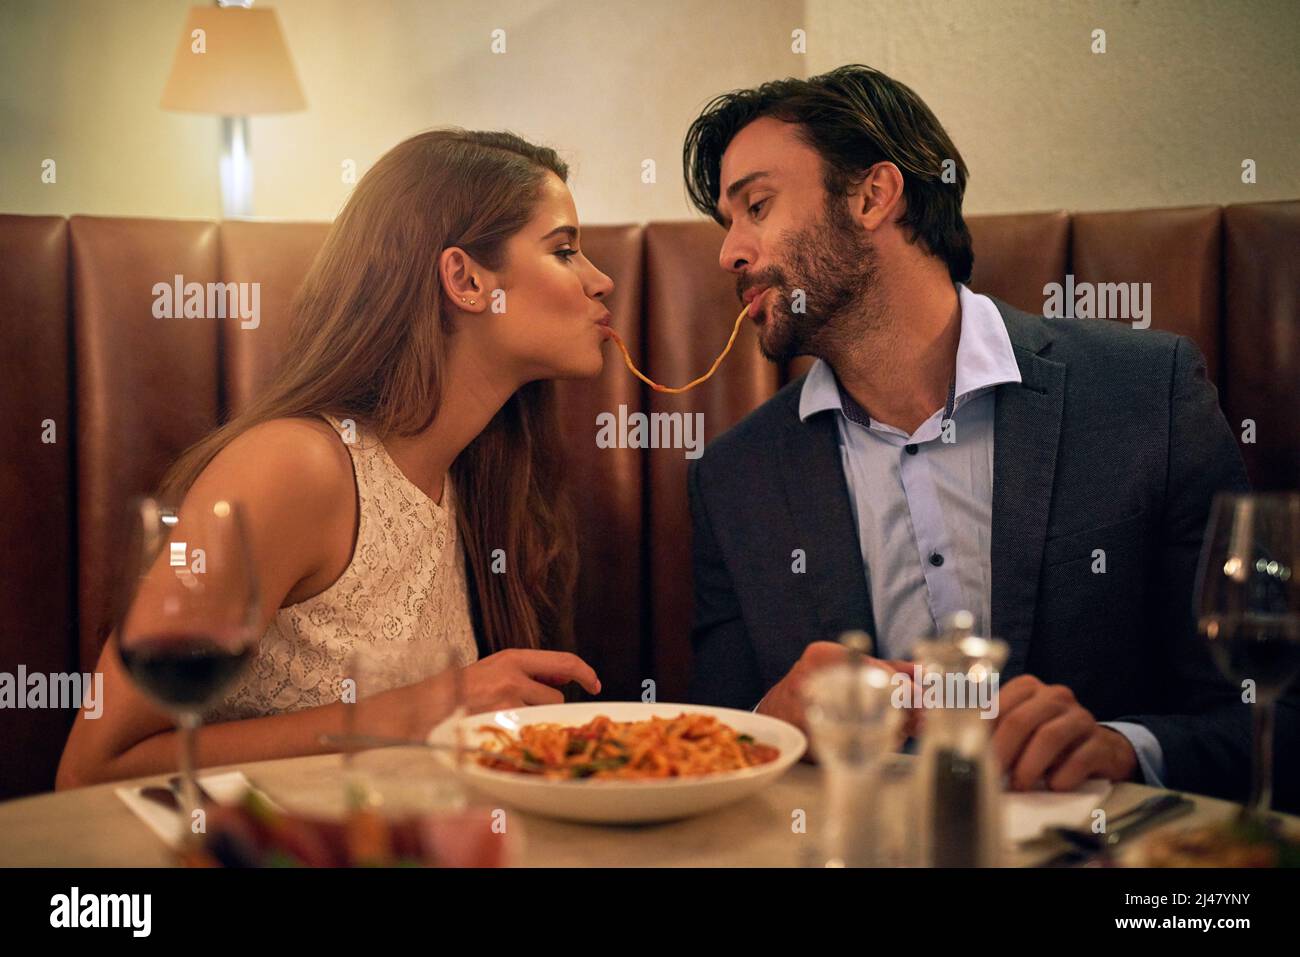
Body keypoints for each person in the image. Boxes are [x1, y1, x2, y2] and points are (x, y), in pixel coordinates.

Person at [681, 64, 1297, 807]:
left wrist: (1122, 748)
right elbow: (716, 733)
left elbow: (1273, 712)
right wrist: (764, 724)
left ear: (873, 195)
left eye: (757, 205)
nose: (730, 254)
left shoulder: (1145, 394)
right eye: (728, 223)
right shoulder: (733, 478)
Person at [57, 129, 611, 787]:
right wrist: (420, 710)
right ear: (464, 279)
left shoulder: (473, 477)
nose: (601, 281)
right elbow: (93, 771)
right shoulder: (292, 467)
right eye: (566, 250)